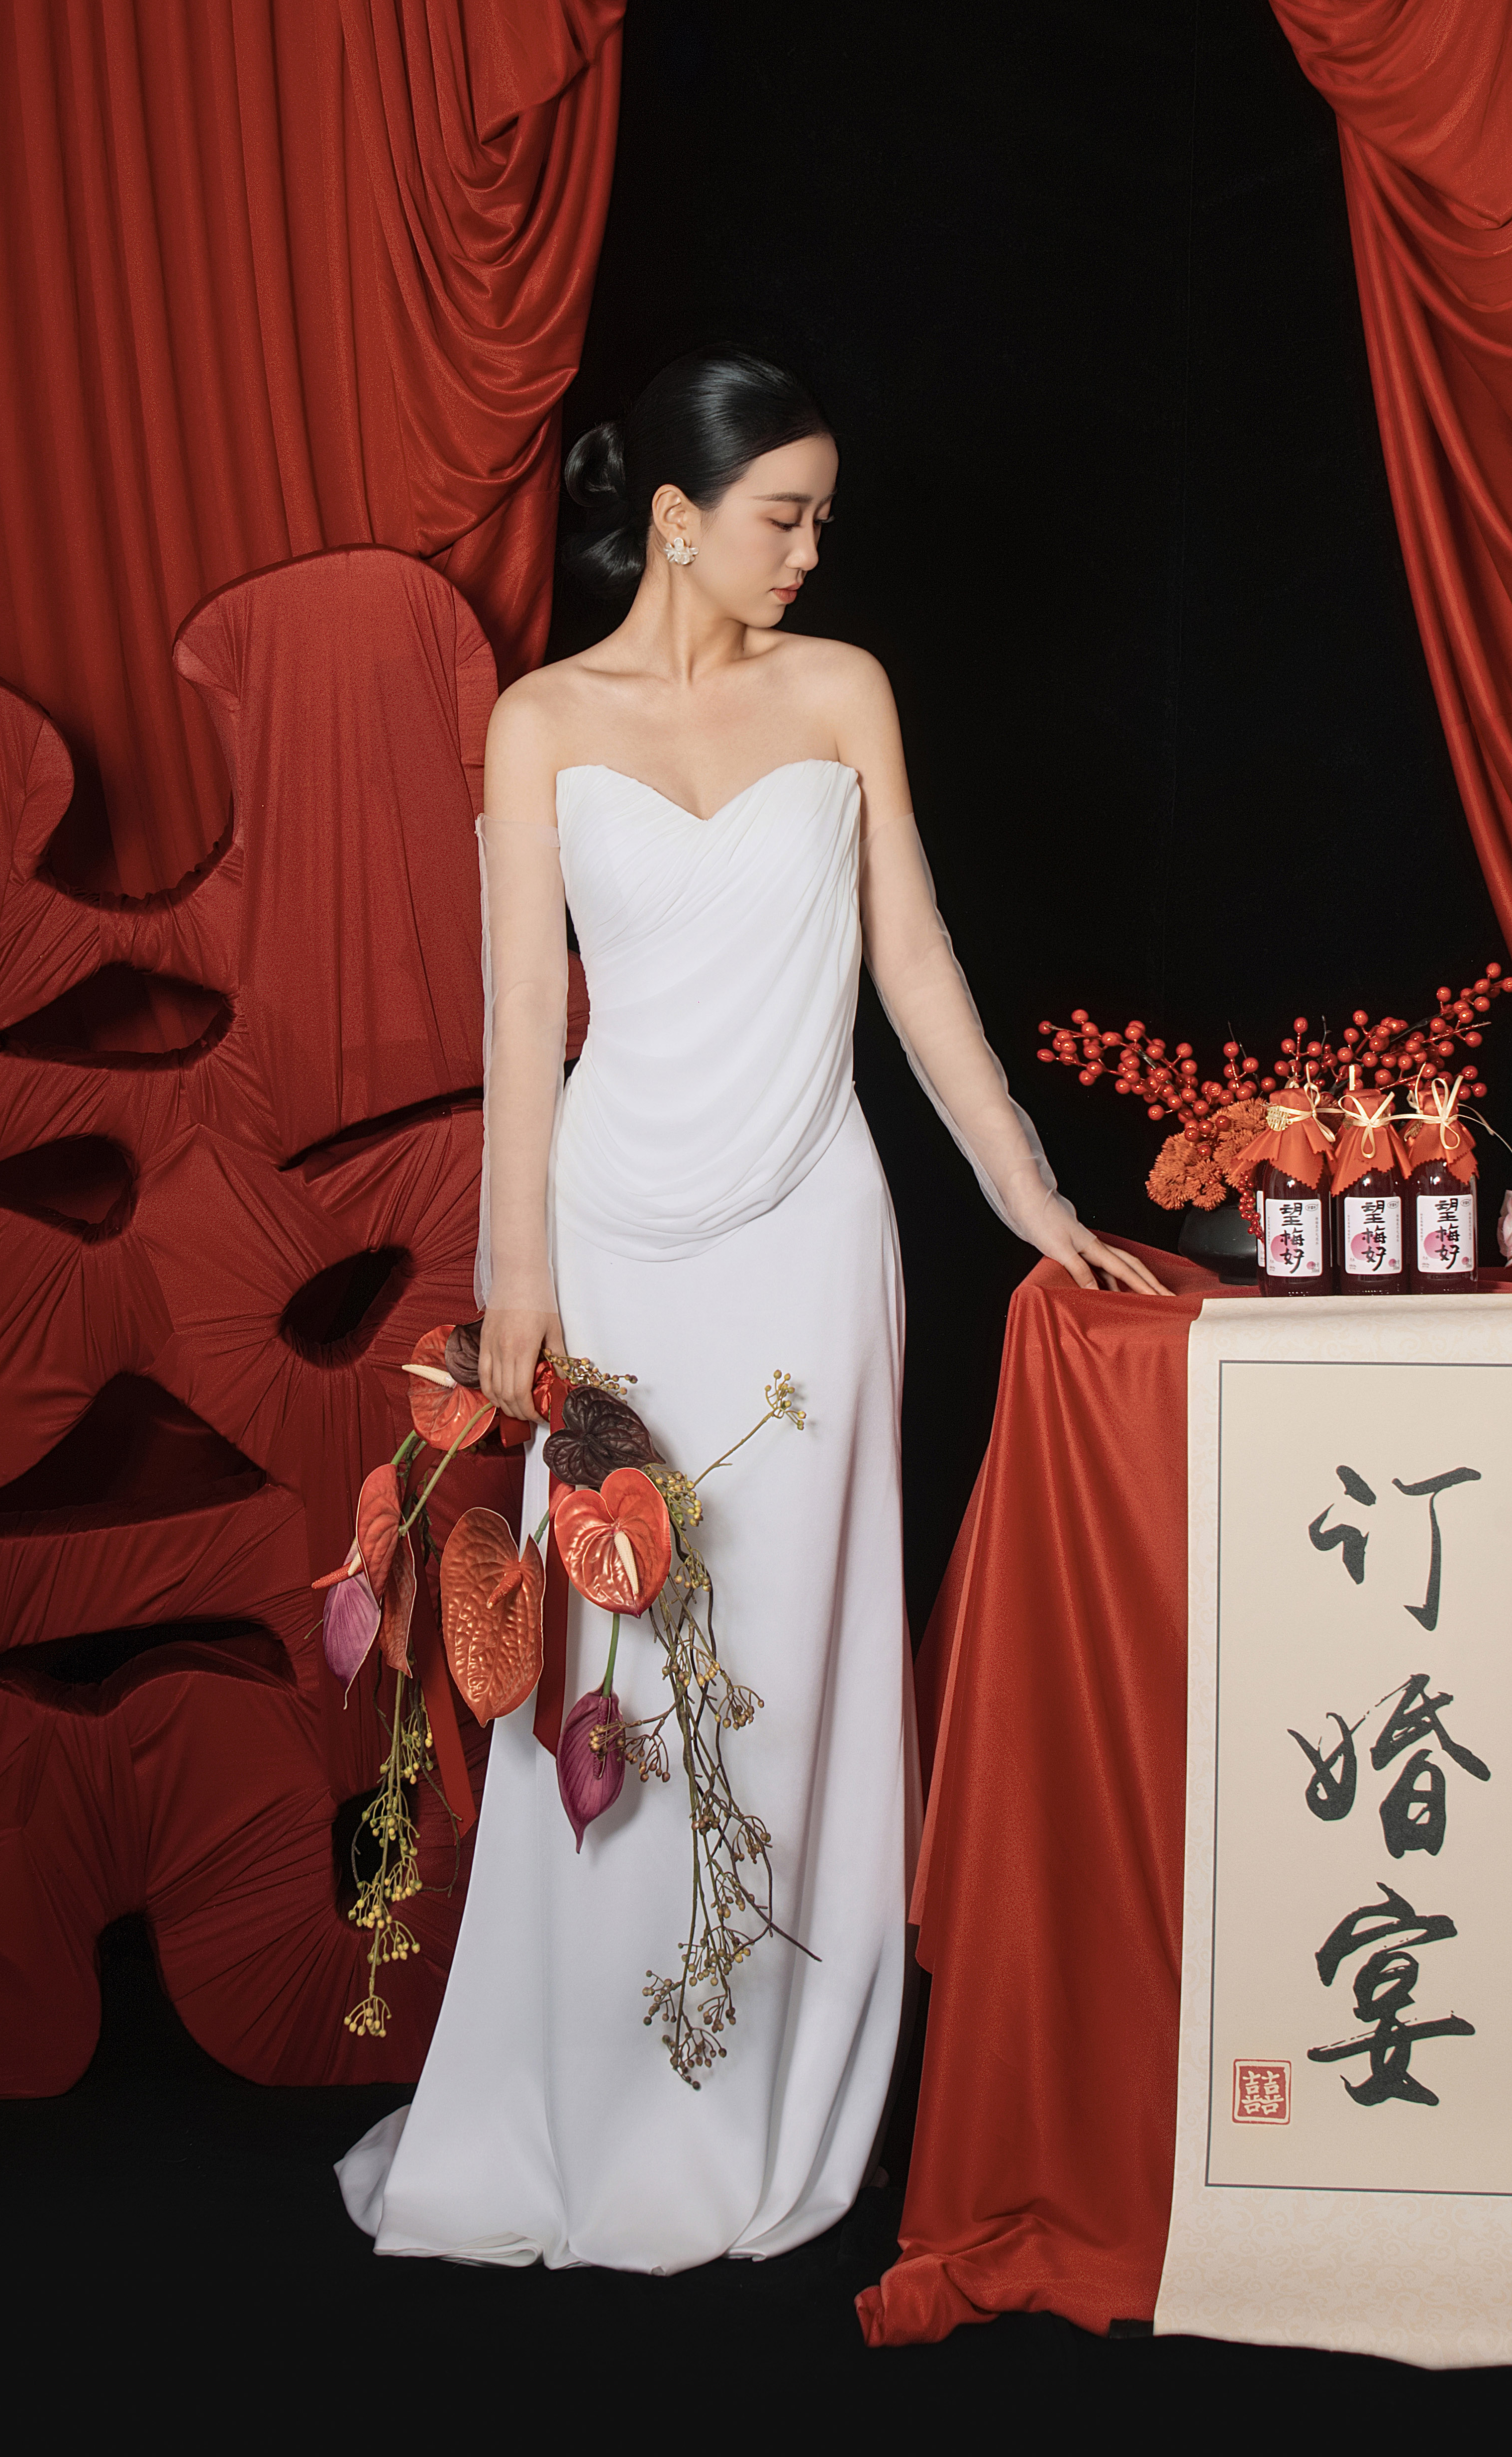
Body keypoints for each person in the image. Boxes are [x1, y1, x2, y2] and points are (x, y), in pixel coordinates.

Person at [337, 348, 1158, 2271]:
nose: (809, 551)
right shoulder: (543, 720)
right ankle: (600, 2091)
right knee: (615, 1673)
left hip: (808, 1239)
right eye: (783, 516)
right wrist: (516, 1290)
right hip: (614, 1242)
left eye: (821, 520)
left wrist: (1033, 1199)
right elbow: (521, 1020)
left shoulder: (841, 690)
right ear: (679, 521)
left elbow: (916, 961)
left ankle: (768, 2089)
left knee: (788, 1650)